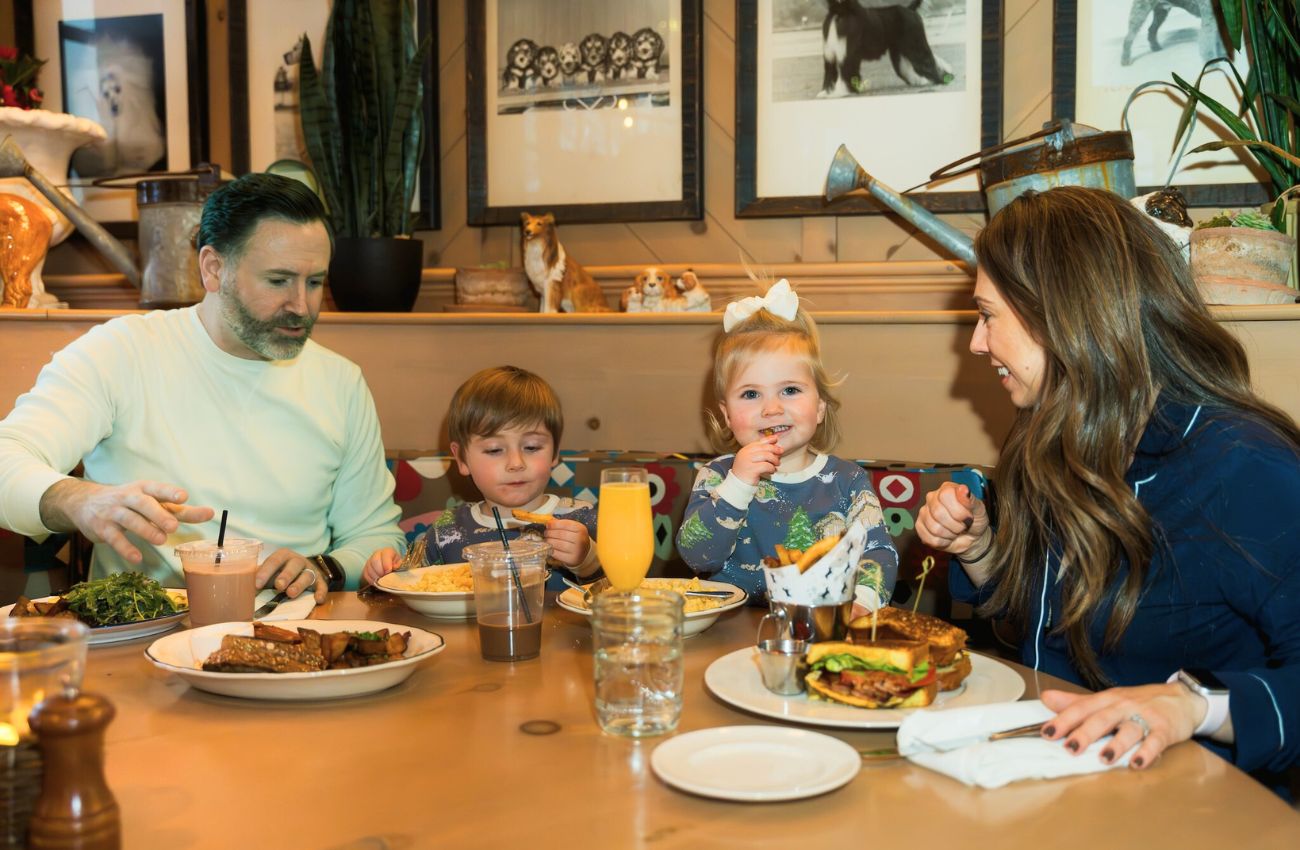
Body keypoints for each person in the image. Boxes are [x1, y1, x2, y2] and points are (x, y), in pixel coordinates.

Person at [916, 186, 1300, 787]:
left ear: (1061, 313)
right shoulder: (1058, 439)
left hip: (1196, 808)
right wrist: (981, 550)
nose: (976, 342)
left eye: (987, 315)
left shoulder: (1247, 467)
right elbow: (1048, 631)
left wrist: (1194, 705)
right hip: (1054, 787)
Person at [0, 173, 403, 601]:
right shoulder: (120, 352)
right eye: (278, 281)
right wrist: (79, 500)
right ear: (213, 268)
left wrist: (324, 568)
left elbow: (377, 536)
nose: (301, 306)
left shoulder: (340, 382)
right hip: (147, 624)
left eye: (315, 282)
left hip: (296, 629)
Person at [676, 279, 897, 604]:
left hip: (819, 625)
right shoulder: (717, 477)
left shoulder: (847, 480)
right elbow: (697, 557)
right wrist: (738, 485)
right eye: (751, 394)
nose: (772, 408)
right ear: (727, 414)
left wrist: (862, 605)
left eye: (790, 390)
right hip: (731, 624)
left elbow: (879, 553)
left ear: (819, 406)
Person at [361, 366, 600, 588]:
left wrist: (588, 560)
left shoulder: (583, 519)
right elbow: (410, 584)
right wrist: (386, 571)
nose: (516, 463)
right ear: (462, 459)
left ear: (555, 452)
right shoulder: (447, 529)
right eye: (494, 450)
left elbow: (618, 593)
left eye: (532, 447)